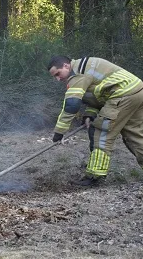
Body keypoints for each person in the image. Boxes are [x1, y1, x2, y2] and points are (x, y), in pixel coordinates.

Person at [48, 55, 143, 186]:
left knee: (101, 132)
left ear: (66, 65)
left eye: (57, 74)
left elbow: (72, 105)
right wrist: (89, 114)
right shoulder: (85, 66)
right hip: (136, 90)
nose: (58, 79)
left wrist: (59, 132)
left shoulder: (77, 74)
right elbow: (98, 95)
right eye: (55, 77)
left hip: (122, 94)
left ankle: (94, 175)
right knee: (135, 134)